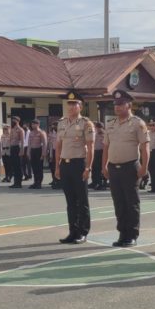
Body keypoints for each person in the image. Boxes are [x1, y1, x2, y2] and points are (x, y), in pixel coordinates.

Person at [102, 90, 149, 247]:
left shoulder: (137, 123)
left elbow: (144, 147)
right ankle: (122, 233)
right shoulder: (110, 124)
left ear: (129, 105)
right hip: (114, 168)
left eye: (121, 104)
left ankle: (132, 234)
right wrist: (104, 166)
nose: (117, 107)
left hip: (130, 166)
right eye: (116, 105)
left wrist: (144, 167)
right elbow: (106, 147)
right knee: (119, 202)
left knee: (131, 202)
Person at [55, 90, 95, 244]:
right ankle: (73, 231)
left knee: (82, 200)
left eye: (74, 104)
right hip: (65, 164)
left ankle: (83, 232)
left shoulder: (86, 123)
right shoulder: (62, 123)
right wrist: (57, 167)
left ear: (80, 106)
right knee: (70, 201)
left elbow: (90, 147)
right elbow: (58, 146)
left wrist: (88, 168)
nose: (71, 107)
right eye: (69, 104)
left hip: (79, 164)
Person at [28, 119, 48, 189]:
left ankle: (39, 183)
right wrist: (28, 153)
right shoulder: (31, 133)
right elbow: (29, 143)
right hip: (32, 151)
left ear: (38, 124)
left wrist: (43, 154)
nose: (33, 125)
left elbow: (45, 144)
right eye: (32, 124)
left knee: (39, 168)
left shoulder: (42, 132)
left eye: (35, 124)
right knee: (34, 168)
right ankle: (35, 182)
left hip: (39, 151)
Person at [9, 117, 25, 188]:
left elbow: (22, 141)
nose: (13, 121)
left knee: (18, 166)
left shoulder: (20, 130)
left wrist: (22, 150)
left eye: (14, 120)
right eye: (12, 120)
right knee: (14, 166)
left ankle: (19, 182)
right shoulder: (12, 130)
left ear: (18, 121)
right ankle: (15, 182)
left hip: (17, 148)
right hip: (12, 148)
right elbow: (10, 140)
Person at [90, 122, 106, 190]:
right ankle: (94, 182)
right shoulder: (95, 133)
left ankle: (102, 184)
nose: (96, 128)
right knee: (94, 168)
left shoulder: (104, 134)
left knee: (100, 168)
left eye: (97, 127)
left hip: (102, 152)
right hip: (95, 152)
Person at [48, 122, 60, 188]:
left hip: (59, 151)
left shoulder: (60, 132)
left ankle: (59, 182)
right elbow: (50, 143)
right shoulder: (52, 133)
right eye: (53, 126)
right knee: (52, 167)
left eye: (55, 126)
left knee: (58, 167)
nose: (54, 127)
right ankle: (54, 180)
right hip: (52, 150)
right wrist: (50, 154)